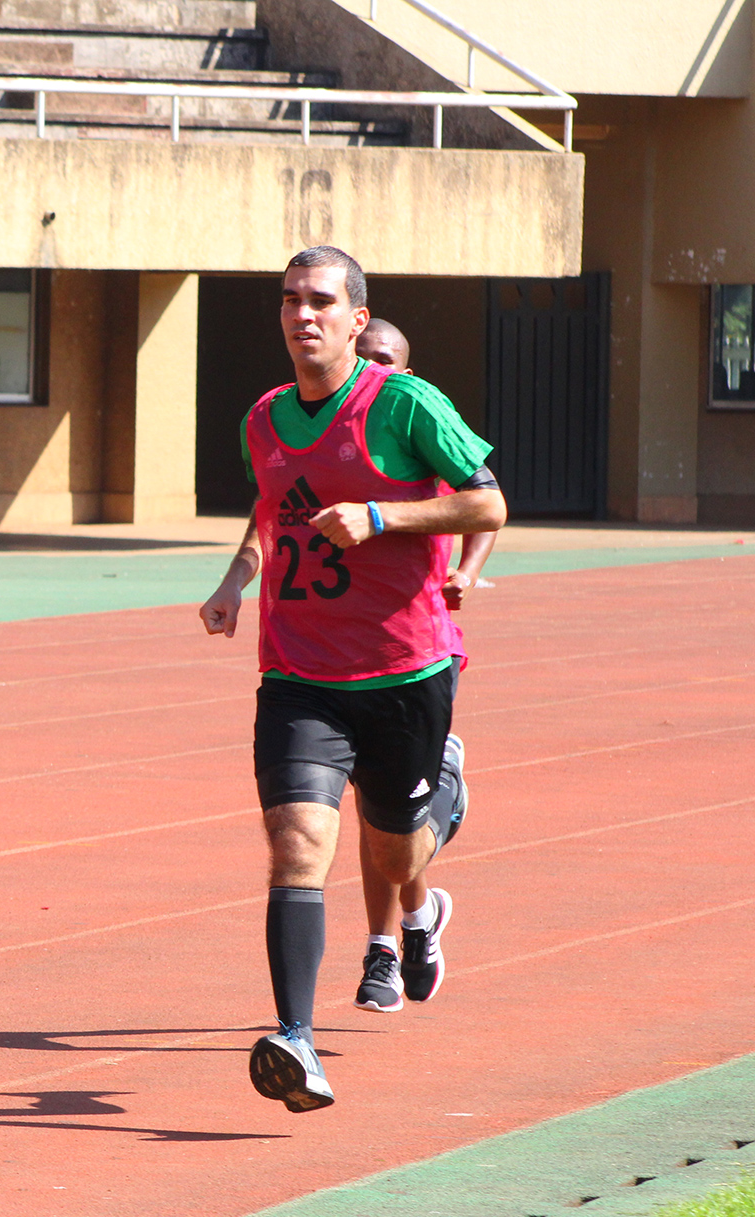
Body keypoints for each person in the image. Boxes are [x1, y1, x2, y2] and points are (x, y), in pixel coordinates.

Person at [199, 247, 506, 1112]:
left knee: (394, 841)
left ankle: (436, 810)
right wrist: (235, 580)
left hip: (405, 671)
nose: (305, 314)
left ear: (355, 318)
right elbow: (273, 508)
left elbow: (487, 503)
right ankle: (296, 1039)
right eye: (291, 300)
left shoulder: (405, 403)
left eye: (322, 301)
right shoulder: (264, 418)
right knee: (297, 842)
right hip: (298, 670)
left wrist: (384, 516)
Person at [347, 318, 498, 1013]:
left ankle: (446, 793)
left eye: (386, 360)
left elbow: (486, 505)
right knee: (367, 807)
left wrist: (466, 570)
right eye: (365, 357)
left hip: (420, 645)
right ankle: (398, 935)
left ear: (404, 370)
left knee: (388, 815)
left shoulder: (417, 419)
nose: (373, 369)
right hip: (337, 645)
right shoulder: (330, 431)